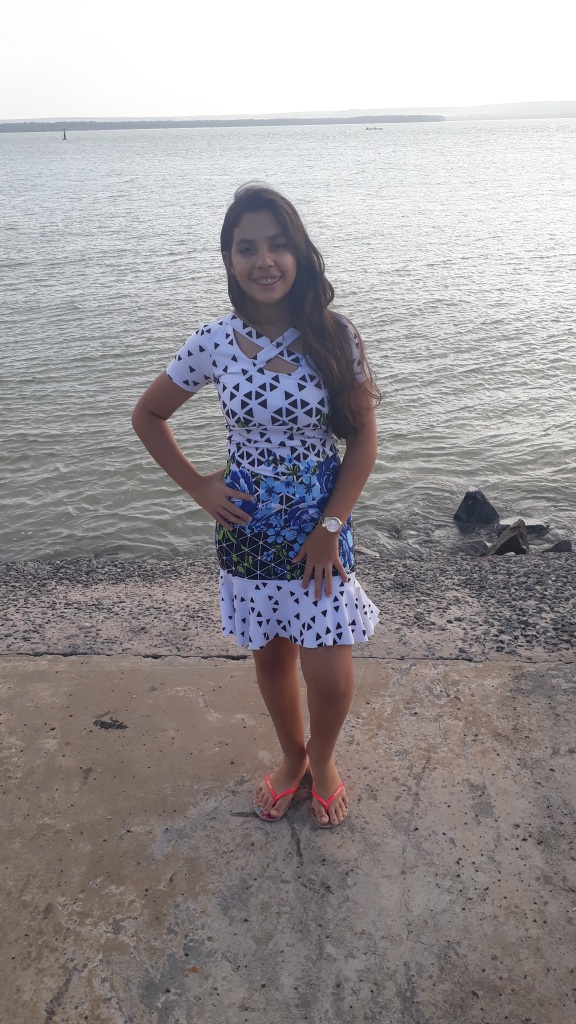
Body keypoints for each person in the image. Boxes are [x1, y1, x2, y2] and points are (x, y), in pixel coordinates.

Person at [132, 184, 380, 828]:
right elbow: (149, 415)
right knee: (272, 657)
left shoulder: (335, 334)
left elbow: (362, 443)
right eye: (247, 248)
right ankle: (293, 756)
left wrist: (331, 527)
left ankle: (323, 758)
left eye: (277, 245)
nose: (264, 261)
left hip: (320, 525)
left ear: (299, 254)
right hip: (246, 526)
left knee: (329, 668)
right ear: (229, 259)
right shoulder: (213, 341)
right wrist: (198, 485)